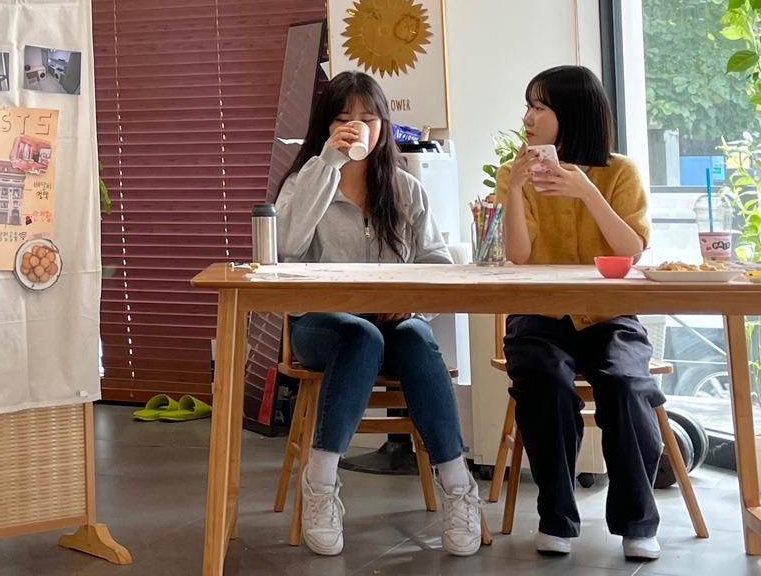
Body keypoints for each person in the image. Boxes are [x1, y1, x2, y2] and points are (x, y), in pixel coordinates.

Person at [276, 70, 481, 557]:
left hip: (392, 325)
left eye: (367, 118)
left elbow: (435, 263)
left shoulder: (405, 189)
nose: (355, 128)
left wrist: (408, 300)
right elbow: (284, 249)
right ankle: (321, 484)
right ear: (326, 127)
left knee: (416, 337)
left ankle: (459, 488)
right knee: (359, 336)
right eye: (342, 119)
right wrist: (327, 164)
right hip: (321, 326)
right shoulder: (305, 183)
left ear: (384, 126)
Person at [496, 65, 660, 562]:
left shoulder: (620, 172)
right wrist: (515, 190)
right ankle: (556, 518)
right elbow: (518, 257)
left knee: (625, 386)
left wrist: (587, 191)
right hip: (539, 317)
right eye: (528, 107)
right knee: (545, 381)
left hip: (610, 317)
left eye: (539, 107)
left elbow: (631, 250)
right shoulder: (515, 173)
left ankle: (637, 523)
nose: (528, 118)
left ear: (572, 113)